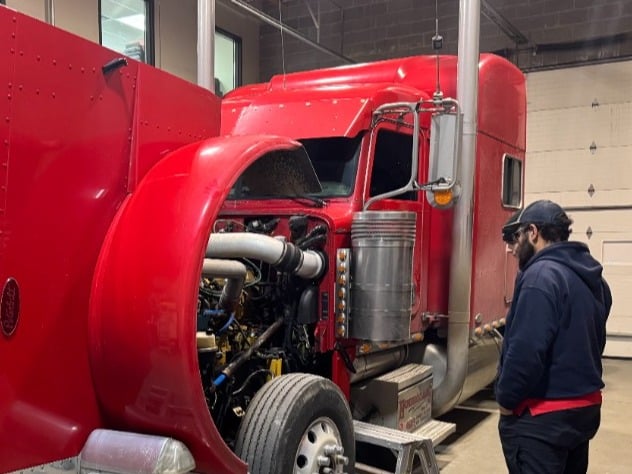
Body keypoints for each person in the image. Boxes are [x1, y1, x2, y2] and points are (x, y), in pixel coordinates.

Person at [495, 199, 612, 474]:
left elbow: (525, 352)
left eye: (516, 237)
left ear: (533, 232)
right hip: (584, 410)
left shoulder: (540, 276)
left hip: (542, 419)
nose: (510, 248)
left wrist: (506, 402)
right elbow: (596, 334)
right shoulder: (592, 276)